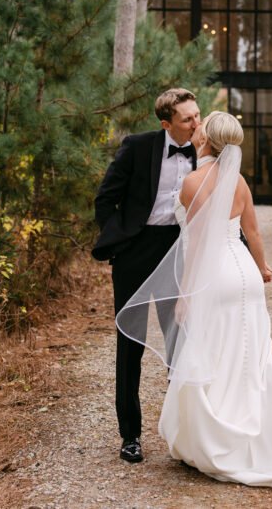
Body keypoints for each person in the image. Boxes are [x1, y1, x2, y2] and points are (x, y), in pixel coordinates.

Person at [116, 111, 272, 487]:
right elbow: (253, 233)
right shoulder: (240, 182)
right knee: (250, 354)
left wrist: (185, 293)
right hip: (245, 277)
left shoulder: (193, 182)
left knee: (212, 351)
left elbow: (200, 243)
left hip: (214, 277)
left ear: (206, 140)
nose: (196, 126)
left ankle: (217, 437)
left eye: (202, 124)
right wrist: (263, 268)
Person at [92, 88, 201, 464]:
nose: (196, 123)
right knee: (130, 344)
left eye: (197, 115)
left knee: (180, 345)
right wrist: (120, 243)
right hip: (135, 255)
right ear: (166, 124)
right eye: (188, 119)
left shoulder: (206, 152)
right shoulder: (138, 147)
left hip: (177, 254)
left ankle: (184, 434)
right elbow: (105, 199)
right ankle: (131, 436)